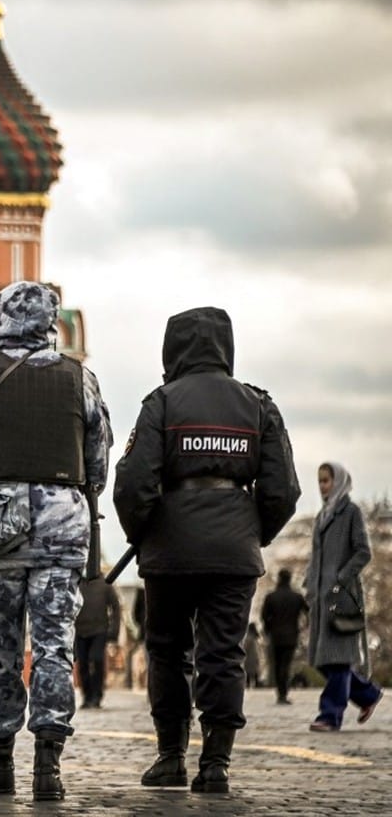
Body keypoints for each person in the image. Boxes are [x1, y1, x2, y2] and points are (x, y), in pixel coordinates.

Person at [0, 281, 113, 802]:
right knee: (54, 646)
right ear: (51, 320)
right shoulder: (81, 379)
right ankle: (49, 766)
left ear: (0, 318)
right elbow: (97, 464)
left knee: (0, 647)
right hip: (62, 531)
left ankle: (1, 759)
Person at [114, 306, 299, 795]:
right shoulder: (258, 405)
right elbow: (283, 490)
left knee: (168, 651)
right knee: (223, 652)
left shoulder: (162, 403)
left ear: (171, 350)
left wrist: (143, 532)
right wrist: (252, 532)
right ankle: (215, 763)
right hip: (233, 549)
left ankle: (171, 756)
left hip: (169, 550)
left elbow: (133, 485)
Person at [306, 462, 382, 731]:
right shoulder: (321, 516)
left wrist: (340, 578)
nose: (323, 486)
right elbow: (315, 558)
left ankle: (329, 716)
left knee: (337, 659)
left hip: (342, 597)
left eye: (326, 481)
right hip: (321, 599)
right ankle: (367, 694)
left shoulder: (351, 512)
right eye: (320, 481)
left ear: (338, 481)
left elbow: (364, 551)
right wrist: (309, 586)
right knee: (321, 660)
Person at [261, 568, 308, 705]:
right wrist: (304, 627)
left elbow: (264, 616)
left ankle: (280, 693)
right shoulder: (297, 597)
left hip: (275, 635)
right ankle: (284, 693)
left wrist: (268, 629)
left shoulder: (271, 597)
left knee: (277, 665)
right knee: (286, 665)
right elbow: (308, 611)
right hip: (291, 635)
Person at [75, 574, 121, 709]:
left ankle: (96, 696)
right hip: (79, 630)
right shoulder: (77, 583)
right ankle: (87, 696)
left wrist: (114, 630)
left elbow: (116, 607)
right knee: (82, 663)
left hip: (99, 630)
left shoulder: (105, 584)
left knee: (96, 659)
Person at [244, 623, 262, 689]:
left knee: (249, 671)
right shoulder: (255, 637)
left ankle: (249, 684)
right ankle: (256, 684)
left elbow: (245, 647)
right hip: (255, 656)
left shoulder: (249, 637)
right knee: (254, 671)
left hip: (249, 657)